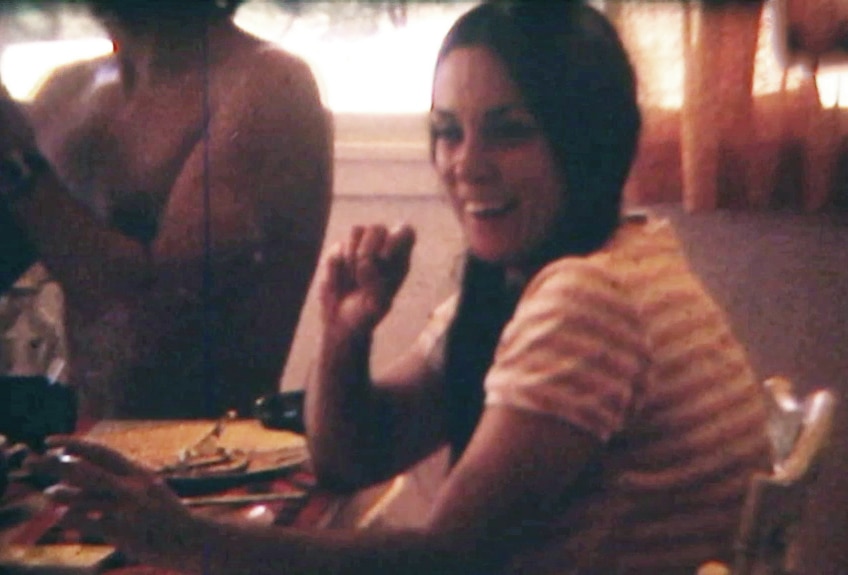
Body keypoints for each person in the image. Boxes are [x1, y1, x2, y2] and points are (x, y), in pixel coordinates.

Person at [31, 2, 771, 573]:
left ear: (589, 137)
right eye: (448, 131)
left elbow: (443, 560)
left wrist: (188, 539)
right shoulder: (598, 259)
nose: (465, 164)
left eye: (508, 131)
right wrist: (347, 332)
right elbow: (351, 459)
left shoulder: (588, 300)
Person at [0, 0, 333, 419]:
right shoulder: (65, 91)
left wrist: (16, 165)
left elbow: (156, 324)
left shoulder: (269, 85)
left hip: (214, 464)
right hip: (84, 450)